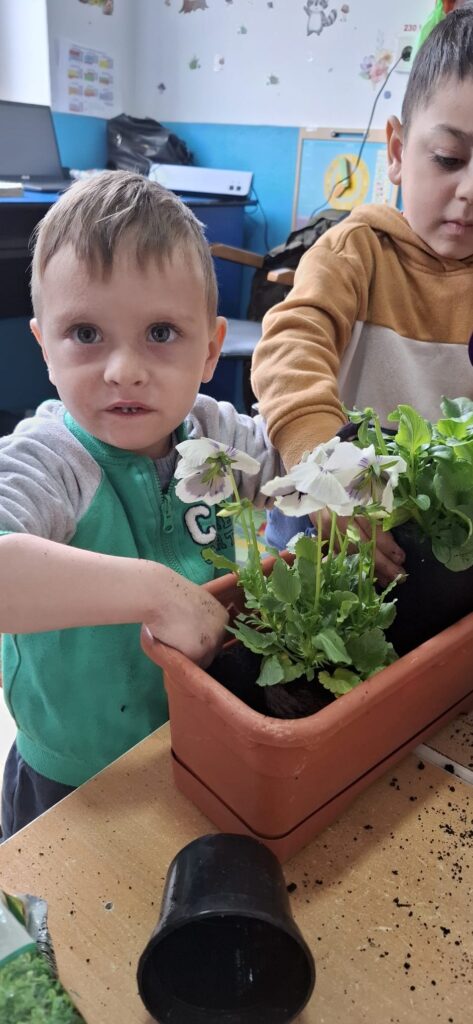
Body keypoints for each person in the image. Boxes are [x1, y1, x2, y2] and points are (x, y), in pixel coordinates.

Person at [0, 170, 280, 840]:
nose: (123, 369)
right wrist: (154, 592)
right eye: (85, 333)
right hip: (73, 778)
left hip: (199, 750)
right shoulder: (48, 461)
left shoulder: (220, 434)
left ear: (211, 349)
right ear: (44, 348)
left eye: (160, 332)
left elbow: (303, 460)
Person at [251, 5, 473, 584]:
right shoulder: (356, 251)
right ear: (396, 152)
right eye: (449, 159)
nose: (470, 189)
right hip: (323, 519)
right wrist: (323, 467)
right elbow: (289, 346)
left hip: (433, 544)